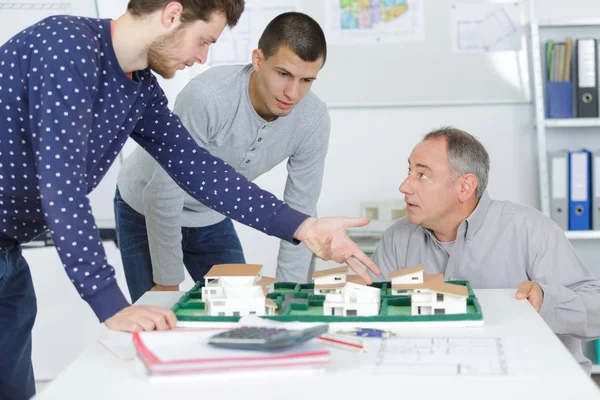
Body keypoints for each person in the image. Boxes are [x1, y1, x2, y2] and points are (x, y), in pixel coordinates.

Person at [0, 1, 379, 398]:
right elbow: (62, 187)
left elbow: (202, 170)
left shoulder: (140, 89)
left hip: (9, 252)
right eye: (203, 41)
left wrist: (304, 227)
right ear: (171, 14)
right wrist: (110, 302)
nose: (202, 58)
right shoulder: (67, 47)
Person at [115, 12, 330, 302]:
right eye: (283, 74)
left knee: (244, 308)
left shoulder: (313, 119)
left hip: (211, 214)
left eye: (306, 80)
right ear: (258, 60)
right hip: (147, 207)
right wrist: (167, 285)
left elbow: (301, 209)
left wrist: (288, 292)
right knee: (158, 317)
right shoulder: (208, 96)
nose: (292, 93)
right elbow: (163, 191)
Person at [370, 126, 600, 374]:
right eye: (409, 171)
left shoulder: (530, 230)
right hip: (437, 377)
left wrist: (547, 299)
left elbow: (595, 309)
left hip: (532, 381)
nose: (405, 186)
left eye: (422, 175)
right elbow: (367, 313)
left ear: (465, 187)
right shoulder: (397, 237)